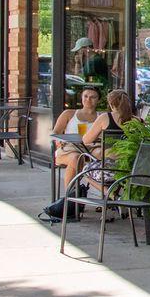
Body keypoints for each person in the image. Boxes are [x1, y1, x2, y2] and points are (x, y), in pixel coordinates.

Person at [41, 88, 137, 221]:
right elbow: (55, 133)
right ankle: (72, 198)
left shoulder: (104, 117)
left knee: (92, 163)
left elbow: (86, 140)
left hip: (94, 153)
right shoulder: (69, 113)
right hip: (71, 148)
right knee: (77, 158)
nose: (88, 99)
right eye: (85, 96)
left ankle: (108, 198)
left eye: (92, 97)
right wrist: (58, 141)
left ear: (102, 101)